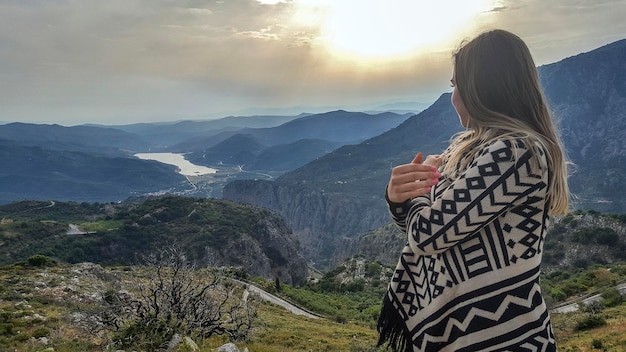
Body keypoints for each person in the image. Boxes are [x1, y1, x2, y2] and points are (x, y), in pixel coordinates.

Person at [376, 29, 569, 352]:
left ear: (483, 88)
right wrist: (398, 200)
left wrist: (416, 195)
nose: (453, 97)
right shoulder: (469, 150)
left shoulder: (516, 152)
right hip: (475, 334)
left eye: (456, 85)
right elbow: (428, 232)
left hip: (501, 339)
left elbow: (427, 234)